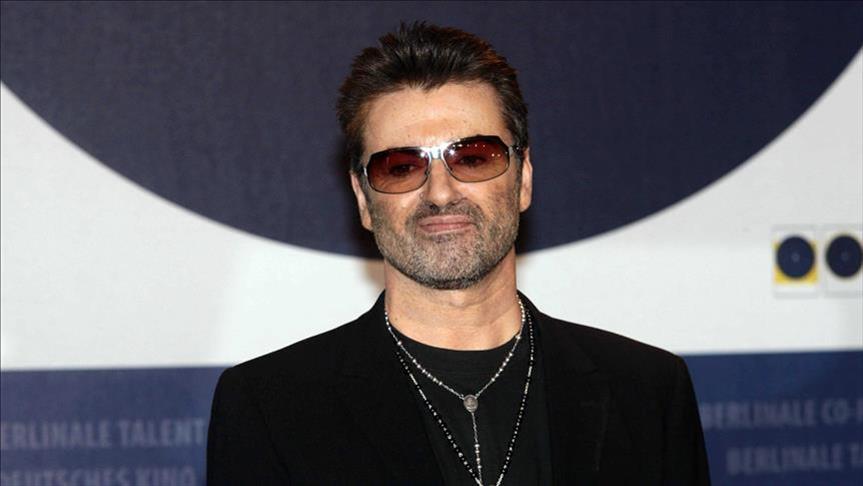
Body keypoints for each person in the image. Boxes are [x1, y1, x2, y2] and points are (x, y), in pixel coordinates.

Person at [207, 22, 710, 485]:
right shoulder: (271, 407)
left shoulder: (647, 392)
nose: (441, 192)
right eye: (400, 167)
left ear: (523, 177)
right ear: (362, 198)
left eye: (472, 158)